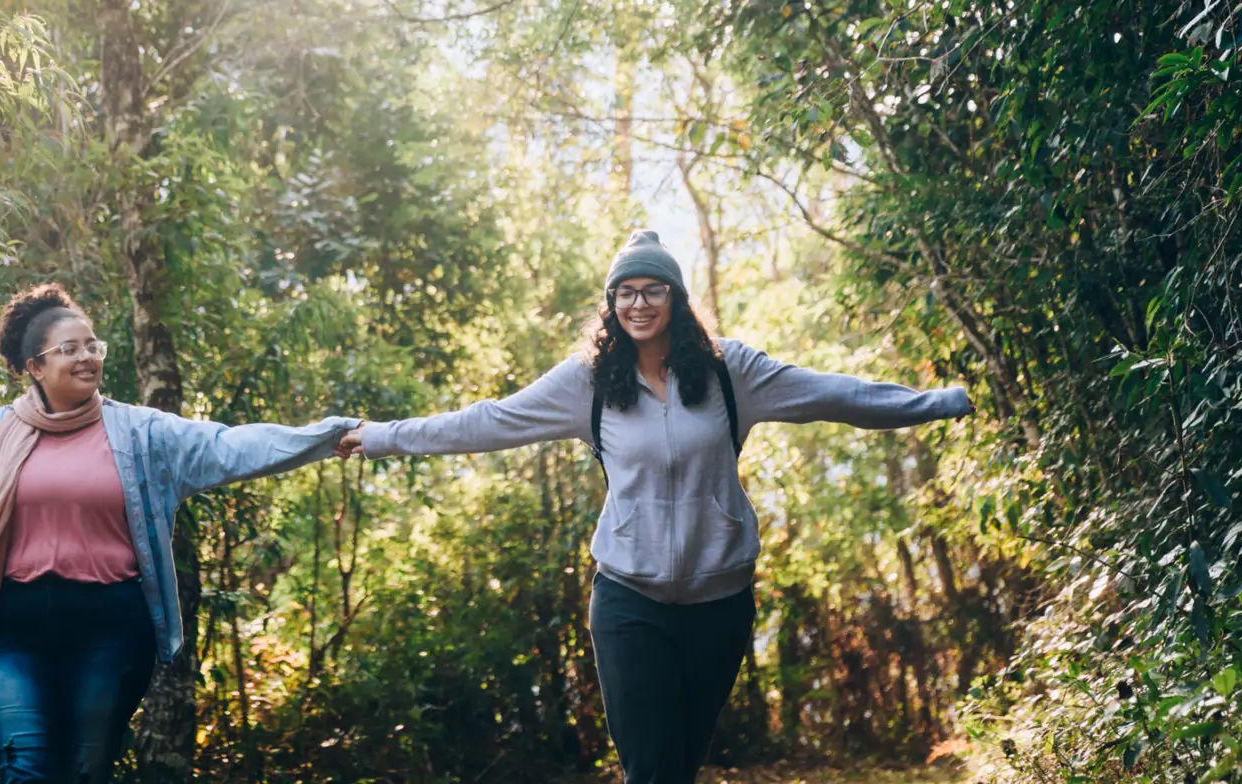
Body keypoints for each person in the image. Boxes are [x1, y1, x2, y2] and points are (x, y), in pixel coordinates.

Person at [332, 229, 973, 784]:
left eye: (653, 290)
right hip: (627, 598)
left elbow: (835, 395)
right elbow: (489, 421)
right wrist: (383, 436)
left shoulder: (730, 373)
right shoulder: (587, 381)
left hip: (719, 604)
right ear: (611, 303)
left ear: (677, 298)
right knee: (651, 770)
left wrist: (939, 402)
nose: (639, 304)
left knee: (680, 766)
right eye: (626, 293)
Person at [0, 283, 352, 784]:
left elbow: (230, 445)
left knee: (83, 769)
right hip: (12, 626)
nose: (87, 357)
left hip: (110, 625)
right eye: (68, 349)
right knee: (23, 765)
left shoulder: (143, 434)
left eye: (92, 346)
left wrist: (327, 436)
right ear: (34, 367)